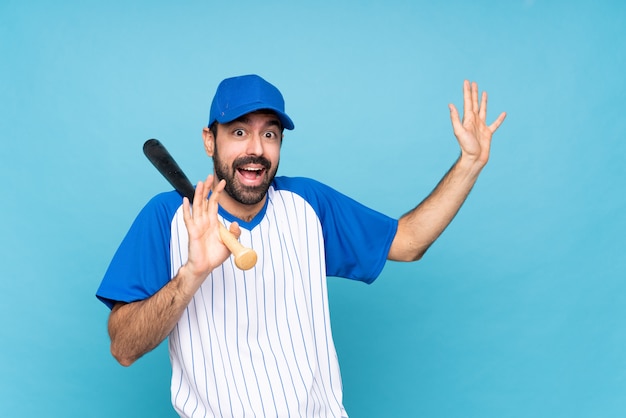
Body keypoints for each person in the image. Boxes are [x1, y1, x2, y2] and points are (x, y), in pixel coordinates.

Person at [96, 74, 506, 417]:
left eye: (269, 134)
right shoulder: (166, 218)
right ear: (210, 140)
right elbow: (124, 348)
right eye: (239, 132)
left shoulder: (308, 204)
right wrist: (193, 273)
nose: (256, 149)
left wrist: (469, 164)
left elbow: (410, 241)